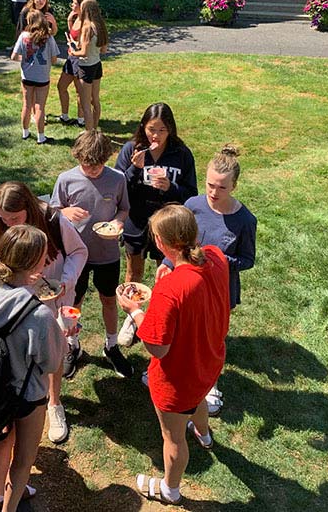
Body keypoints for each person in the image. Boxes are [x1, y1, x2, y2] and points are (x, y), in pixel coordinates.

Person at [117, 204, 230, 505]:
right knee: (200, 400)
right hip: (210, 360)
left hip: (178, 377)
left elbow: (157, 347)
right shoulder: (215, 256)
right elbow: (193, 285)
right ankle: (204, 435)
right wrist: (172, 268)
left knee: (173, 438)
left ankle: (170, 489)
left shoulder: (171, 289)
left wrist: (135, 310)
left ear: (162, 242)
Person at [155, 145, 257, 417]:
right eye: (210, 185)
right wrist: (167, 264)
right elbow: (179, 242)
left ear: (234, 186)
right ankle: (177, 377)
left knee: (212, 342)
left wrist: (218, 260)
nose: (213, 193)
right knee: (183, 336)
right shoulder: (193, 206)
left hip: (220, 291)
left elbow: (248, 260)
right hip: (187, 287)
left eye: (222, 188)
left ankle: (210, 386)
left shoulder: (245, 220)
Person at [0, 181, 87, 445]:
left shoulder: (52, 219)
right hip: (20, 308)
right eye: (3, 217)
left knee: (54, 353)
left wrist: (65, 281)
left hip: (55, 299)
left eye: (15, 218)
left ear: (29, 210)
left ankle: (54, 404)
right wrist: (21, 281)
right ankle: (25, 400)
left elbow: (79, 251)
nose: (9, 224)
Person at [0, 225, 66, 511]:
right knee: (24, 461)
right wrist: (62, 331)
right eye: (44, 255)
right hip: (26, 395)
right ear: (34, 262)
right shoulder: (38, 315)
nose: (48, 260)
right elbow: (52, 363)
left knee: (4, 439)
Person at [50, 130, 133, 379]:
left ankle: (111, 345)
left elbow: (124, 209)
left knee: (109, 299)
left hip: (107, 252)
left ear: (106, 159)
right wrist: (65, 212)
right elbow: (52, 211)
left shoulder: (117, 179)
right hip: (75, 255)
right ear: (78, 158)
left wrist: (118, 223)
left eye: (97, 165)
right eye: (87, 165)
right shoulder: (66, 179)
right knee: (73, 303)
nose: (92, 170)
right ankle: (72, 346)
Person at [114, 102, 198, 284]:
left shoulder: (181, 154)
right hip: (136, 220)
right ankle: (131, 311)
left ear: (170, 130)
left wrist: (171, 188)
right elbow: (117, 189)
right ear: (143, 126)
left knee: (167, 273)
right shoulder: (132, 149)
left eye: (162, 130)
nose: (155, 136)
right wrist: (135, 169)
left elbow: (191, 194)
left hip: (168, 222)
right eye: (151, 129)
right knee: (134, 274)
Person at [10, 10, 59, 145]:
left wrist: (25, 59)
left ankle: (25, 133)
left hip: (27, 76)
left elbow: (13, 56)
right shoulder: (48, 37)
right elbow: (54, 60)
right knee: (40, 107)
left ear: (29, 21)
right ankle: (40, 136)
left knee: (26, 104)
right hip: (42, 77)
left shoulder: (23, 36)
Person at [66, 0, 108, 131]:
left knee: (85, 105)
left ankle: (89, 136)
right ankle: (94, 130)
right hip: (97, 65)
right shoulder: (100, 26)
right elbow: (103, 49)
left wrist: (73, 52)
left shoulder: (87, 28)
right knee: (95, 100)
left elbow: (83, 52)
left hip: (86, 67)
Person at [56, 0, 88, 127]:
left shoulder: (85, 23)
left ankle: (81, 120)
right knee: (61, 86)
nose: (72, 5)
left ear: (81, 5)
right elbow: (72, 35)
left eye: (74, 3)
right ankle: (65, 116)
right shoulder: (76, 19)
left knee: (79, 91)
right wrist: (69, 20)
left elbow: (82, 44)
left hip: (78, 60)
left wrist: (74, 46)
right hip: (70, 58)